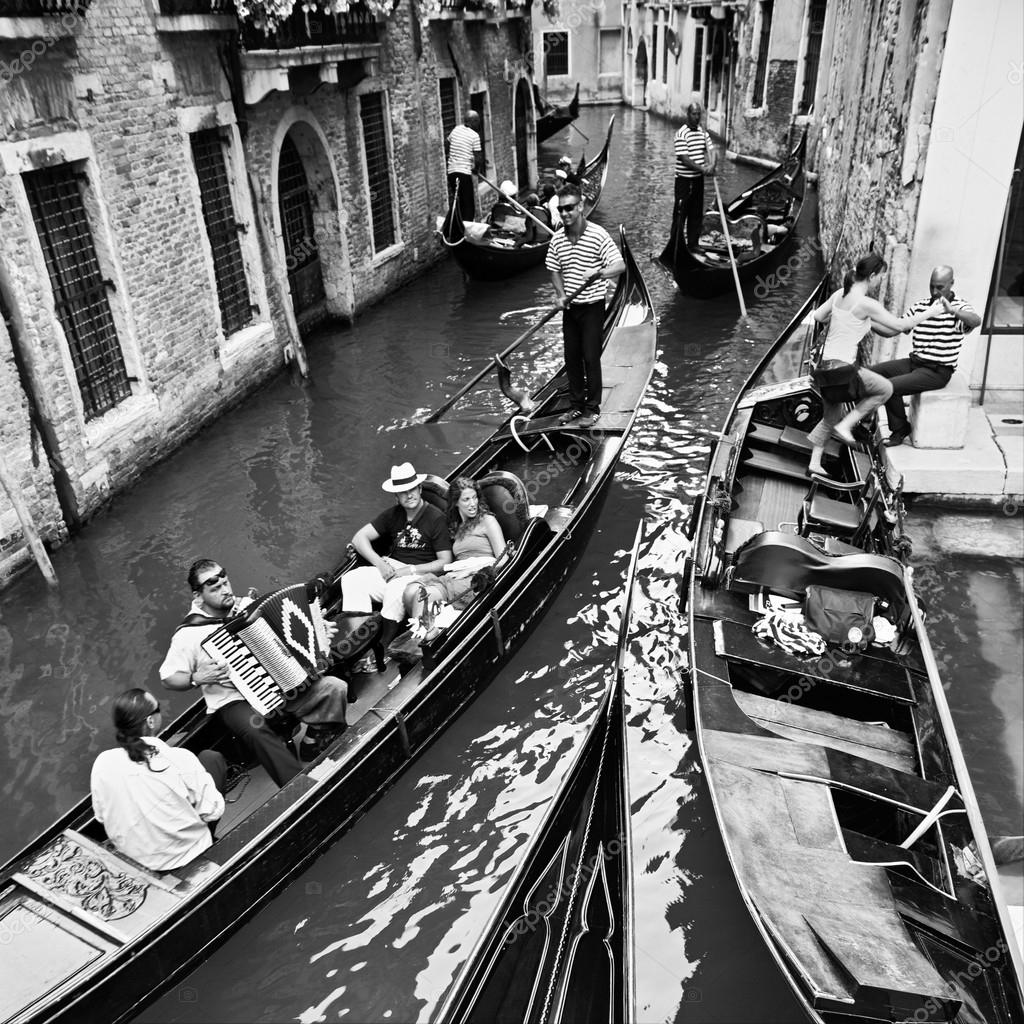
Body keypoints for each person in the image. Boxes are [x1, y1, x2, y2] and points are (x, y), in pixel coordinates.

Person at [160, 560, 349, 785]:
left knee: (336, 687)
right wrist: (196, 678)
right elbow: (168, 678)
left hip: (278, 683)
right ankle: (297, 788)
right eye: (216, 588)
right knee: (256, 728)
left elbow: (285, 641)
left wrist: (318, 629)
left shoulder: (249, 606)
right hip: (232, 699)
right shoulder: (188, 634)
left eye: (225, 582)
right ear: (197, 596)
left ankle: (313, 741)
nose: (226, 590)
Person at [807, 254, 944, 475]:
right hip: (842, 370)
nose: (881, 281)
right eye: (881, 276)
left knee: (829, 417)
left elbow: (818, 316)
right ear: (872, 276)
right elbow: (899, 325)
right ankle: (847, 425)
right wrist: (931, 312)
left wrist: (851, 323)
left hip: (823, 370)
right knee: (886, 388)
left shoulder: (838, 296)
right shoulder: (866, 304)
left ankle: (814, 462)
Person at [91, 689, 226, 872]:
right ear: (150, 721)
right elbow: (213, 811)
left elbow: (100, 816)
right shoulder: (179, 758)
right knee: (211, 759)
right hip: (187, 855)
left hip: (138, 861)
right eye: (158, 708)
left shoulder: (103, 763)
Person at [340, 462, 453, 652]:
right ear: (396, 496)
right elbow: (359, 538)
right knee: (352, 578)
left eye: (412, 490)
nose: (409, 495)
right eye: (403, 492)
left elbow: (445, 562)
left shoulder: (436, 518)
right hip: (392, 572)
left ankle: (383, 648)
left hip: (420, 579)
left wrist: (407, 570)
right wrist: (379, 563)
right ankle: (358, 640)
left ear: (419, 489)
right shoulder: (393, 515)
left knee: (394, 588)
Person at [868, 265, 981, 447]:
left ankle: (900, 428)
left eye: (940, 287)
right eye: (932, 286)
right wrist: (868, 322)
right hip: (915, 363)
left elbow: (976, 321)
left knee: (889, 387)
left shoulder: (959, 307)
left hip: (937, 371)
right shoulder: (921, 306)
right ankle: (863, 419)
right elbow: (895, 329)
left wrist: (953, 311)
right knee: (871, 374)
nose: (935, 292)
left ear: (951, 284)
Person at [545, 184, 626, 428]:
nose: (565, 213)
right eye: (561, 209)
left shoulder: (598, 234)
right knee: (571, 357)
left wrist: (598, 272)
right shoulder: (558, 239)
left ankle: (592, 408)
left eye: (569, 208)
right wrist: (560, 296)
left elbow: (620, 265)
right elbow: (553, 268)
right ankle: (576, 406)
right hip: (571, 309)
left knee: (590, 356)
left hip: (592, 306)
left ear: (580, 207)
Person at [398, 477, 506, 638]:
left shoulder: (487, 521)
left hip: (476, 578)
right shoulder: (457, 527)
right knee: (410, 591)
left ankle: (420, 643)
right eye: (466, 499)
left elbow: (503, 558)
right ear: (456, 502)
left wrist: (470, 570)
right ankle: (426, 631)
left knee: (424, 595)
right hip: (456, 576)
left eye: (474, 497)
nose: (472, 503)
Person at [672, 102, 716, 253]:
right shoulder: (681, 134)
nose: (697, 117)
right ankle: (676, 246)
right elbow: (685, 159)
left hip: (698, 180)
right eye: (694, 114)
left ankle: (693, 245)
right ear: (688, 114)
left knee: (696, 214)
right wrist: (704, 169)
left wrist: (712, 165)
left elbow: (712, 150)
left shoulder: (703, 133)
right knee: (680, 215)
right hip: (684, 181)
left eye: (699, 114)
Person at [445, 111, 484, 225]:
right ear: (473, 122)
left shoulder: (456, 129)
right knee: (468, 205)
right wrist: (476, 170)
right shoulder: (474, 136)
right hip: (464, 173)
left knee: (458, 201)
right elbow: (478, 159)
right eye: (477, 121)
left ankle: (456, 227)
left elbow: (447, 145)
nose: (479, 124)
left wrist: (456, 155)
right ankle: (466, 232)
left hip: (451, 172)